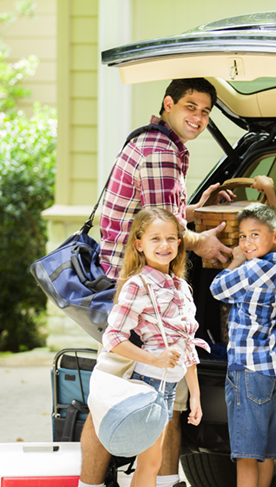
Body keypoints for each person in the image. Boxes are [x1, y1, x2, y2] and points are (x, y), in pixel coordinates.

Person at [80, 78, 232, 487]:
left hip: (152, 284)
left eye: (205, 111)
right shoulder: (161, 151)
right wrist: (201, 242)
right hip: (134, 287)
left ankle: (157, 482)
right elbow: (167, 225)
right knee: (113, 398)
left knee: (161, 400)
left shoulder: (158, 144)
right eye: (190, 106)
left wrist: (198, 209)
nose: (198, 117)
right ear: (168, 104)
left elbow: (161, 216)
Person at [100, 207, 210, 487]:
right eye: (156, 239)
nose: (165, 245)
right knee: (149, 466)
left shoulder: (181, 286)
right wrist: (155, 358)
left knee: (154, 464)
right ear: (139, 243)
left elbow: (187, 345)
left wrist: (195, 395)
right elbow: (113, 339)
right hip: (149, 383)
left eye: (171, 238)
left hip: (170, 387)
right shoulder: (138, 285)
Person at [209, 176, 276, 487]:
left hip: (248, 371)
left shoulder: (251, 268)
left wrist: (235, 259)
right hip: (275, 371)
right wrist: (270, 190)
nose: (247, 243)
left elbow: (217, 288)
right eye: (242, 237)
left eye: (254, 236)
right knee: (267, 453)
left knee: (246, 454)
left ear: (271, 236)